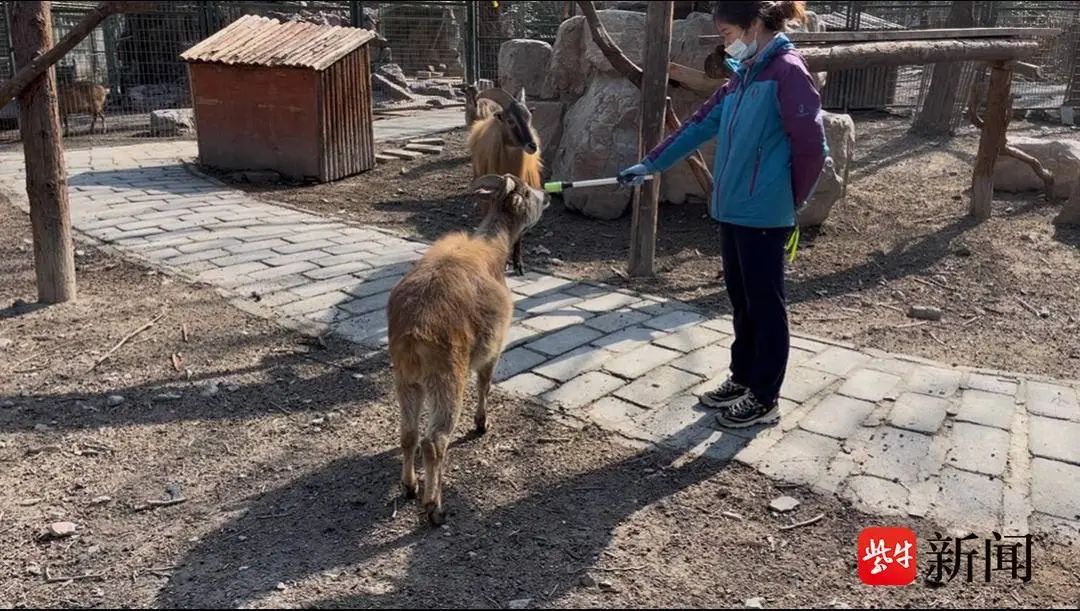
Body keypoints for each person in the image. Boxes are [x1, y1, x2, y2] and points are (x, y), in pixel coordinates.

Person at [618, 0, 826, 428]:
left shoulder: (788, 71)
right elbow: (699, 123)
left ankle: (766, 396)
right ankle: (743, 376)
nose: (725, 45)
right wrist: (650, 164)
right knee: (742, 300)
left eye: (728, 35)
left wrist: (792, 200)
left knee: (766, 306)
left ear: (754, 26)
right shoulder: (742, 76)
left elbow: (811, 146)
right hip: (733, 209)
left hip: (766, 213)